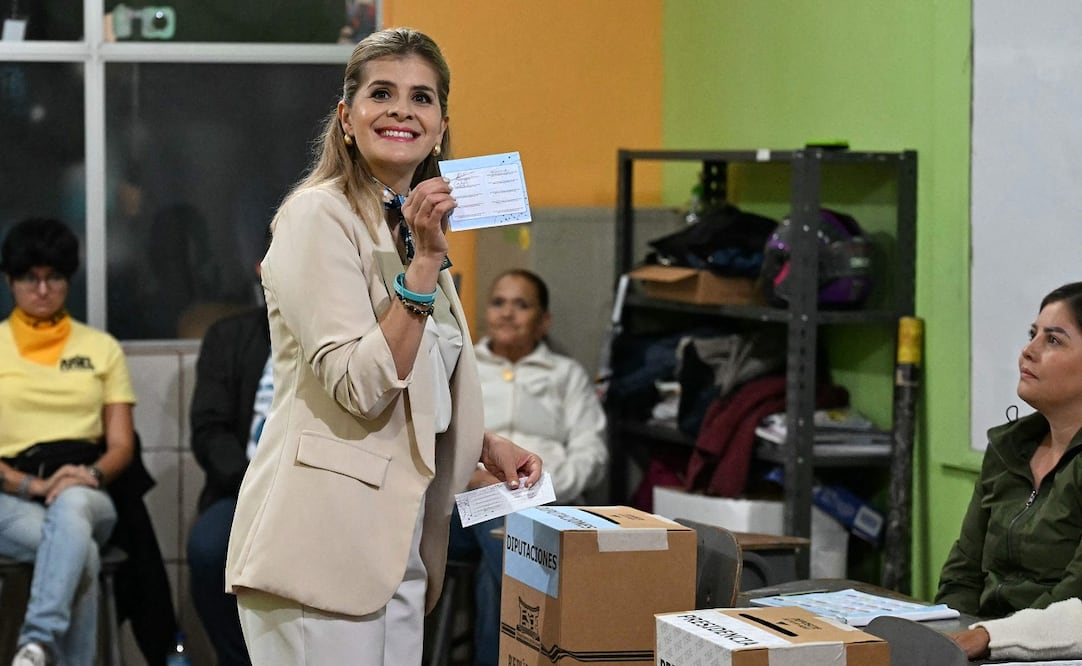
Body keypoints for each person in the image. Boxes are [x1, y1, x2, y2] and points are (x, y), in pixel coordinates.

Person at [224, 27, 542, 666]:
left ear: (440, 124)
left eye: (421, 98)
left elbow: (423, 371)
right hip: (323, 548)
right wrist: (425, 263)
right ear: (347, 116)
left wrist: (480, 442)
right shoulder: (319, 216)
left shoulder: (405, 221)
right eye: (382, 93)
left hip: (400, 544)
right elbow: (361, 386)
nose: (402, 109)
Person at [446, 269, 608, 666]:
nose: (507, 313)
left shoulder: (565, 374)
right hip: (462, 511)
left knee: (499, 550)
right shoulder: (461, 366)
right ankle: (553, 641)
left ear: (544, 320)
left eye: (522, 305)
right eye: (498, 302)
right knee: (501, 529)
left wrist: (535, 487)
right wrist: (473, 479)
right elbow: (438, 441)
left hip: (545, 506)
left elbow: (592, 454)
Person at [0, 217, 133, 666]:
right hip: (8, 494)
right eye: (29, 278)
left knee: (73, 508)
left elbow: (121, 446)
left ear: (68, 280)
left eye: (53, 276)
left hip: (85, 489)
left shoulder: (101, 348)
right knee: (81, 552)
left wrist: (88, 475)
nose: (42, 289)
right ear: (9, 281)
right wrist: (31, 485)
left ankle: (36, 642)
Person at [937, 281, 1082, 636]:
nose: (1027, 351)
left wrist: (994, 641)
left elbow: (1074, 600)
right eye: (1032, 334)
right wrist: (953, 639)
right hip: (981, 642)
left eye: (1053, 340)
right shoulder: (1008, 448)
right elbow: (962, 574)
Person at [187, 300, 269, 666]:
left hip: (321, 495)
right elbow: (209, 430)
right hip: (243, 487)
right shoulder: (230, 337)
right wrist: (250, 484)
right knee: (209, 548)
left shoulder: (344, 332)